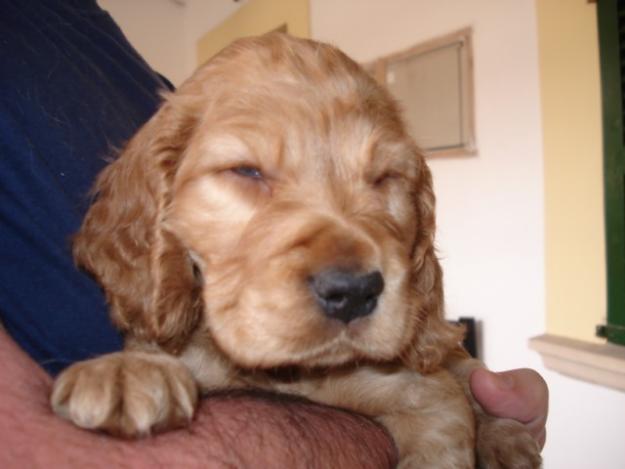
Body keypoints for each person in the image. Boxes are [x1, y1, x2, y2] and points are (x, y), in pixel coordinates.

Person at [0, 0, 547, 467]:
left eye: (383, 177)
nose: (347, 267)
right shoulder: (164, 345)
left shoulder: (93, 32)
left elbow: (430, 402)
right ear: (156, 209)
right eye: (248, 171)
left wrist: (478, 414)